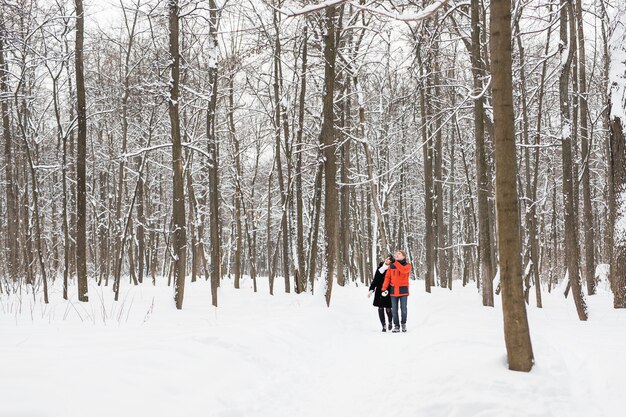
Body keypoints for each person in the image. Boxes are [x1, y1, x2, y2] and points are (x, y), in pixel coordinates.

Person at [381, 250, 411, 333]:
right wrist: (384, 288)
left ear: (403, 256)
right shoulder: (392, 266)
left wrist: (396, 262)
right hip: (393, 291)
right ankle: (396, 326)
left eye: (399, 254)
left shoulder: (407, 265)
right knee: (394, 310)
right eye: (396, 254)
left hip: (403, 290)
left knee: (403, 309)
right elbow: (387, 278)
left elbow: (403, 270)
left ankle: (403, 323)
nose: (397, 255)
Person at [368, 255, 394, 332]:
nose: (387, 260)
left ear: (391, 261)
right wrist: (371, 290)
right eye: (387, 258)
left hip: (389, 291)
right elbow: (375, 280)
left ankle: (390, 321)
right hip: (379, 291)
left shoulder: (393, 269)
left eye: (389, 259)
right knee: (380, 308)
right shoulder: (380, 268)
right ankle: (383, 325)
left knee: (388, 308)